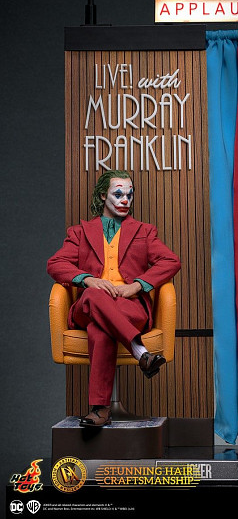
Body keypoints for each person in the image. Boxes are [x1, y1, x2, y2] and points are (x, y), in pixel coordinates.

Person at [47, 170, 181, 427]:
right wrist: (87, 280)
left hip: (130, 306)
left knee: (101, 329)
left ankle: (100, 410)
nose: (125, 200)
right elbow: (55, 263)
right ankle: (141, 352)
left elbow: (170, 261)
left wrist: (136, 286)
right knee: (93, 295)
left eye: (129, 195)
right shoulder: (80, 232)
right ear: (102, 196)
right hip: (88, 305)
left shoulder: (144, 231)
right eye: (118, 194)